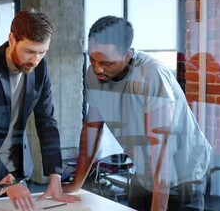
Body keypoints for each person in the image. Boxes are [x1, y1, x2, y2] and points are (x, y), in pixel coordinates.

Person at [62, 15, 212, 211]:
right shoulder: (94, 75)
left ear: (127, 55)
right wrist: (76, 184)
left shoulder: (150, 75)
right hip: (144, 171)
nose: (97, 68)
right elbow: (92, 129)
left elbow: (160, 144)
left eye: (106, 63)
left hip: (183, 173)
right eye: (92, 59)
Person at [0, 10, 80, 211]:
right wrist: (6, 180)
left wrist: (55, 177)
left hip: (18, 174)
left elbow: (47, 122)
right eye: (29, 51)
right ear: (12, 39)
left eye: (42, 52)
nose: (35, 60)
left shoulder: (40, 69)